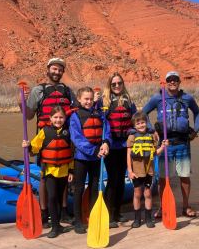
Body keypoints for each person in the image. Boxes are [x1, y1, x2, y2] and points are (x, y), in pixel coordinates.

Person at [22, 58, 77, 226]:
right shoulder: (38, 90)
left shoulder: (67, 91)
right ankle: (44, 213)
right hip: (46, 138)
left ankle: (64, 212)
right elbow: (29, 116)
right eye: (54, 69)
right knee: (45, 176)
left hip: (65, 138)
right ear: (48, 69)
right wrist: (21, 103)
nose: (57, 72)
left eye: (60, 70)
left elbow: (76, 111)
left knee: (65, 174)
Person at [143, 71, 199, 219]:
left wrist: (196, 129)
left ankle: (186, 207)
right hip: (165, 143)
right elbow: (143, 113)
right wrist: (151, 130)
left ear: (179, 81)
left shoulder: (187, 98)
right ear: (166, 81)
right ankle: (163, 207)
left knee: (184, 176)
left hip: (183, 142)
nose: (172, 82)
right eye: (169, 79)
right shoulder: (158, 98)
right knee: (163, 178)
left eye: (175, 79)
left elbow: (198, 112)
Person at [22, 106, 74, 238]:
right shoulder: (44, 131)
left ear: (65, 118)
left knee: (58, 198)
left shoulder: (68, 132)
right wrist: (27, 146)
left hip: (64, 171)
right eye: (55, 117)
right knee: (51, 197)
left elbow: (72, 153)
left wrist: (71, 171)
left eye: (61, 117)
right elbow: (35, 146)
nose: (58, 120)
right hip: (50, 171)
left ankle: (59, 224)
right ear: (50, 118)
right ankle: (55, 227)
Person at [97, 72, 137, 228]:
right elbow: (97, 118)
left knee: (121, 180)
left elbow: (136, 119)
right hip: (111, 145)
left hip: (124, 145)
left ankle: (117, 212)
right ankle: (108, 214)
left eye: (119, 83)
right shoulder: (103, 101)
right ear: (110, 85)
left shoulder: (129, 101)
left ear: (123, 83)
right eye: (113, 84)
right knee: (113, 180)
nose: (117, 86)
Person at [69, 86, 111, 234]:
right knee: (79, 188)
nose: (88, 101)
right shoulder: (75, 116)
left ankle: (93, 217)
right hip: (82, 158)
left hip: (97, 157)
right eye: (85, 99)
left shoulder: (100, 114)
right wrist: (93, 150)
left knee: (94, 187)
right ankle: (78, 221)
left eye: (90, 99)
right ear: (79, 99)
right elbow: (77, 138)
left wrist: (106, 143)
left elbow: (106, 130)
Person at [127, 111, 168, 228]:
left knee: (148, 193)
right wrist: (130, 171)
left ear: (146, 123)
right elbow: (128, 155)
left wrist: (163, 146)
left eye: (143, 123)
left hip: (149, 171)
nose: (141, 125)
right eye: (138, 123)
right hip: (136, 171)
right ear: (134, 125)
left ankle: (148, 218)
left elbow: (155, 153)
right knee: (137, 193)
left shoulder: (151, 136)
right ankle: (137, 219)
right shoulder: (132, 137)